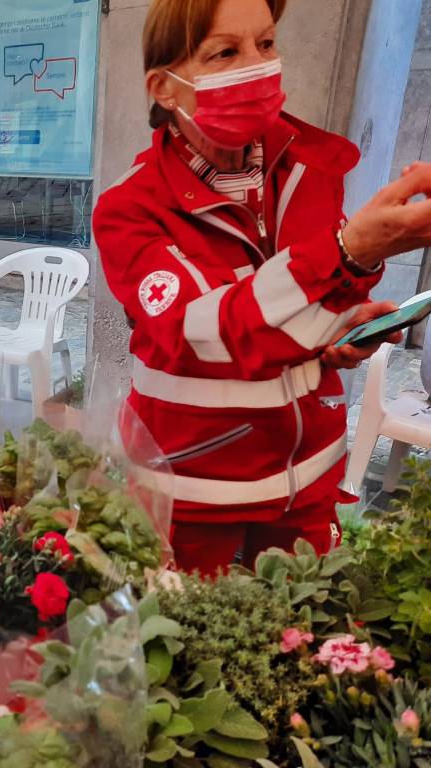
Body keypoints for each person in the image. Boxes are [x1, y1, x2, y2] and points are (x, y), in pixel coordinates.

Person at [93, 0, 431, 576]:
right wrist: (353, 249)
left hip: (308, 482)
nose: (257, 66)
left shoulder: (309, 167)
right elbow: (206, 330)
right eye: (226, 52)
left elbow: (308, 299)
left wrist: (339, 331)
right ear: (165, 88)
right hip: (194, 495)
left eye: (266, 44)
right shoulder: (129, 209)